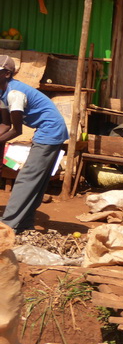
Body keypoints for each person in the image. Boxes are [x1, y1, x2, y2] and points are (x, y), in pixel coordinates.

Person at [0, 55, 68, 233]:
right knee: (37, 179)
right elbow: (4, 125)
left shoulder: (15, 94)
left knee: (27, 178)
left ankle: (6, 225)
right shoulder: (2, 92)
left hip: (51, 130)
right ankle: (25, 223)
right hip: (45, 129)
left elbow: (17, 130)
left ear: (7, 74)